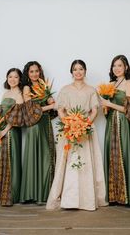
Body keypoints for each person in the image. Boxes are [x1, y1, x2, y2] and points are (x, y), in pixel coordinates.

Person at [46, 59, 107, 211]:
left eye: (81, 69)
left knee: (86, 162)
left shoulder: (91, 90)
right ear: (71, 72)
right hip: (69, 129)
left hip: (86, 129)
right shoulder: (65, 90)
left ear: (85, 71)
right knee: (68, 161)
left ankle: (87, 199)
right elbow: (60, 110)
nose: (78, 72)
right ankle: (69, 199)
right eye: (75, 69)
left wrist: (84, 124)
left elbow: (94, 110)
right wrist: (70, 123)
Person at [100, 55, 130, 206]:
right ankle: (114, 196)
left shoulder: (128, 83)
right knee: (112, 155)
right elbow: (106, 110)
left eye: (120, 66)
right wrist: (105, 108)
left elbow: (129, 109)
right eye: (114, 66)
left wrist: (109, 104)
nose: (116, 69)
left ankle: (127, 196)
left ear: (126, 68)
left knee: (123, 154)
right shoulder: (111, 84)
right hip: (111, 123)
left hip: (123, 122)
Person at [20, 61, 55, 204]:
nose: (35, 74)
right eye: (31, 71)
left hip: (45, 124)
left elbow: (51, 103)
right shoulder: (27, 88)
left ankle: (45, 194)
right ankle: (33, 194)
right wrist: (50, 106)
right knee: (36, 157)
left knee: (47, 158)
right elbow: (30, 109)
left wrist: (51, 100)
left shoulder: (43, 86)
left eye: (37, 71)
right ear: (27, 74)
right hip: (34, 126)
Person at [0, 68, 24, 206]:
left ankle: (9, 196)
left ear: (19, 79)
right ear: (7, 78)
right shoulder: (5, 94)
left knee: (11, 159)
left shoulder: (20, 95)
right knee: (1, 160)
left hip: (11, 132)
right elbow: (1, 114)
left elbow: (17, 116)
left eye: (15, 77)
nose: (12, 79)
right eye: (10, 77)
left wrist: (5, 130)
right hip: (2, 131)